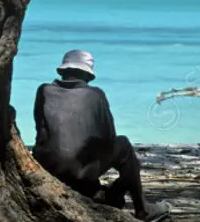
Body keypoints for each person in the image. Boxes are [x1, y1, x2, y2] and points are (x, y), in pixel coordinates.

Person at [32, 50, 170, 221]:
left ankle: (107, 193)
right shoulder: (96, 95)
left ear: (63, 72)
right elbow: (108, 137)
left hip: (49, 168)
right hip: (80, 172)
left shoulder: (43, 91)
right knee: (124, 146)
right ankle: (142, 209)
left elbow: (42, 133)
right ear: (87, 75)